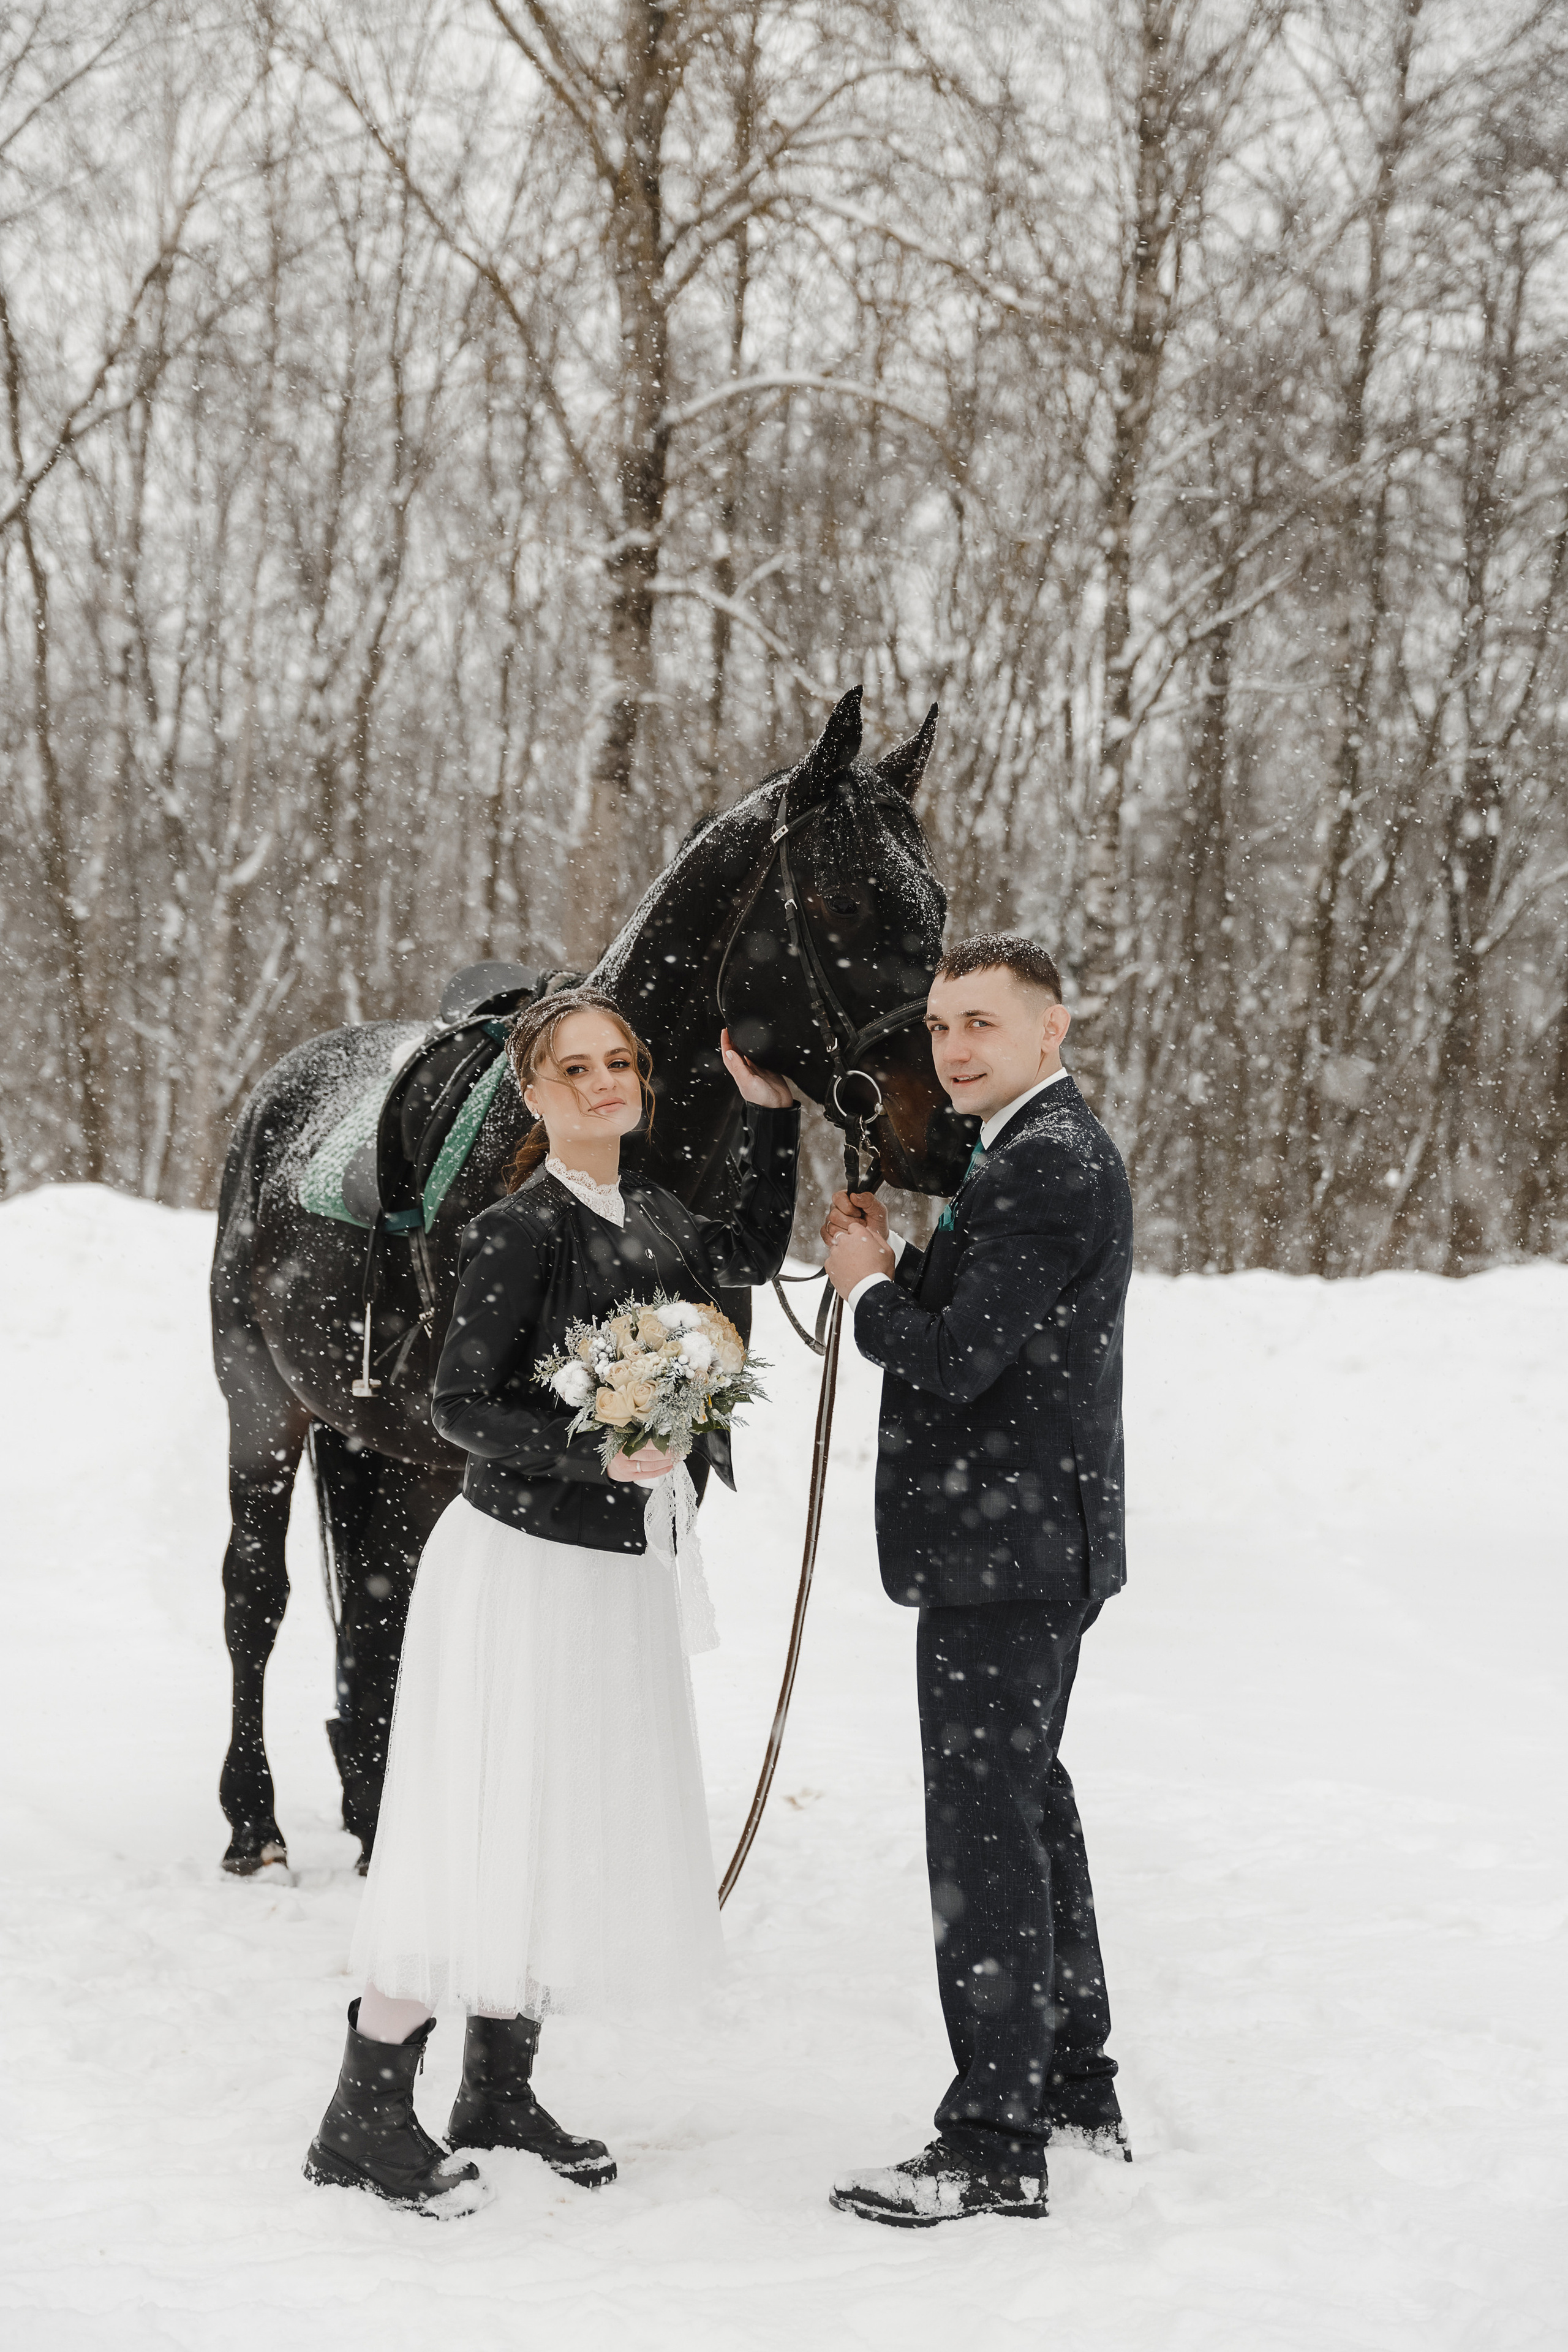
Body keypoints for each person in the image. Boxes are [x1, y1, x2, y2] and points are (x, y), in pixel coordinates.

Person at [303, 986, 798, 2216]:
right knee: (479, 1822)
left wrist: (773, 1119)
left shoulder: (652, 1212)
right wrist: (599, 1452)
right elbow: (453, 1407)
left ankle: (498, 2093)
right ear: (531, 1096)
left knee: (557, 1824)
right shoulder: (517, 1231)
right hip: (519, 1571)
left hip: (609, 1577)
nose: (601, 1084)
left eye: (618, 1062)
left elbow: (742, 1254)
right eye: (572, 1069)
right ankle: (363, 2112)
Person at [820, 933, 1133, 2228]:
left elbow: (953, 1358)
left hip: (1006, 1556)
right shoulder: (1016, 1150)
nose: (953, 1048)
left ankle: (993, 2142)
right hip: (1024, 1543)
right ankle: (1069, 2084)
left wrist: (866, 1290)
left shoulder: (1044, 1167)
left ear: (1050, 1031)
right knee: (1027, 1805)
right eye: (942, 1025)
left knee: (984, 1833)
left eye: (982, 1026)